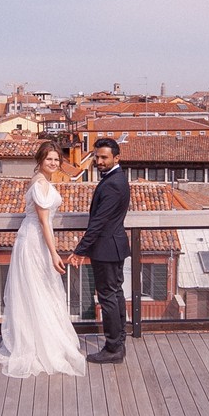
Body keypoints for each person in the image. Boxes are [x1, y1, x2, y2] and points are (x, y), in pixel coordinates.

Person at [0, 141, 86, 378]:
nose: (53, 163)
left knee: (39, 290)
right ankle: (40, 345)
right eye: (49, 159)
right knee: (39, 290)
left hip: (35, 238)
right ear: (40, 160)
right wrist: (54, 254)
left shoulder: (41, 181)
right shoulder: (40, 184)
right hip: (35, 241)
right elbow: (43, 221)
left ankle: (39, 339)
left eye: (56, 159)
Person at [68, 137, 131, 364]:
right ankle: (119, 341)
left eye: (104, 157)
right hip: (114, 246)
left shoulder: (113, 183)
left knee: (108, 297)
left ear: (117, 158)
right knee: (115, 294)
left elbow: (98, 222)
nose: (99, 161)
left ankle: (113, 348)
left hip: (106, 248)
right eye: (97, 157)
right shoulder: (118, 179)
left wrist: (79, 251)